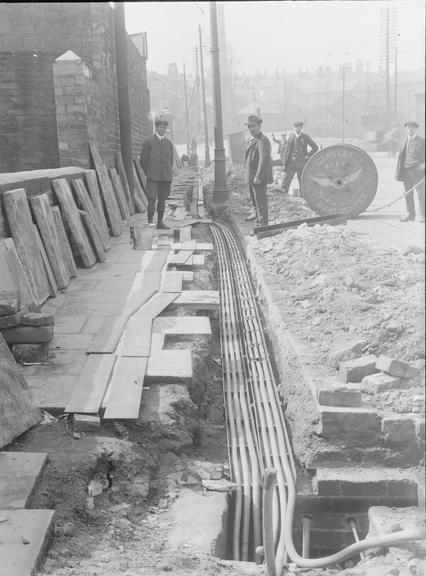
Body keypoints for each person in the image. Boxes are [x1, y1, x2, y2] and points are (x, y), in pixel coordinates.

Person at [140, 116, 174, 229]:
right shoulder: (149, 142)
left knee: (162, 199)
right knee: (152, 199)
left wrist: (167, 172)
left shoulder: (168, 143)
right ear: (156, 128)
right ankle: (150, 222)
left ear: (166, 129)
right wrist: (150, 173)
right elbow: (143, 161)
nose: (162, 129)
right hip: (153, 177)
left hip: (165, 177)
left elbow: (171, 160)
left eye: (164, 127)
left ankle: (160, 222)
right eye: (160, 126)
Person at [243, 114, 272, 227]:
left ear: (259, 126)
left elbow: (263, 160)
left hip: (257, 177)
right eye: (249, 127)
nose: (251, 129)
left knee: (260, 202)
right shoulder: (253, 139)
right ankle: (259, 223)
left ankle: (263, 225)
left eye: (253, 126)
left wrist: (258, 176)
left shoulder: (262, 140)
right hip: (252, 176)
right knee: (255, 201)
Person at [395, 120, 425, 223]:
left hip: (417, 169)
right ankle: (410, 214)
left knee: (421, 193)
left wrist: (424, 165)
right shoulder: (404, 141)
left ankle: (422, 215)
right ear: (405, 129)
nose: (410, 130)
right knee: (408, 193)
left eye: (412, 128)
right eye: (408, 128)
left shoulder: (422, 140)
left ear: (416, 129)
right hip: (406, 170)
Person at [281, 121, 318, 195]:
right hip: (291, 163)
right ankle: (283, 196)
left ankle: (303, 198)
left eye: (299, 127)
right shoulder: (291, 136)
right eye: (296, 127)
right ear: (294, 128)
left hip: (302, 163)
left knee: (302, 182)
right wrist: (285, 163)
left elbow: (315, 147)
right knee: (286, 181)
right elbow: (287, 151)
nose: (297, 129)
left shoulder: (305, 137)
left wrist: (308, 156)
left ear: (301, 128)